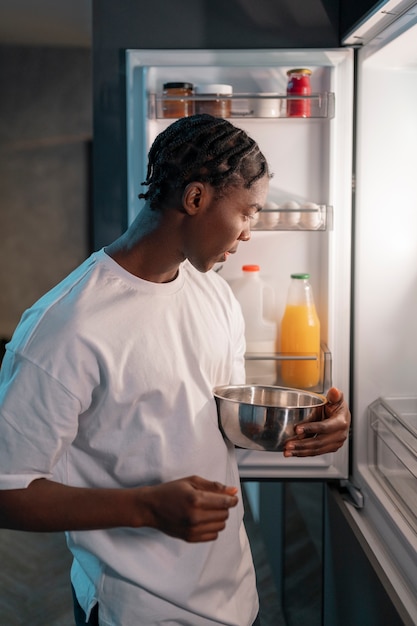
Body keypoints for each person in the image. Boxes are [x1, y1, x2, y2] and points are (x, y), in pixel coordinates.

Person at [0, 114, 350, 626]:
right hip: (135, 609)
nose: (250, 232)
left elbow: (213, 430)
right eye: (247, 212)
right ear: (195, 199)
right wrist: (145, 508)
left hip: (233, 597)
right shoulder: (65, 327)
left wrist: (305, 431)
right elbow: (8, 491)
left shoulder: (214, 294)